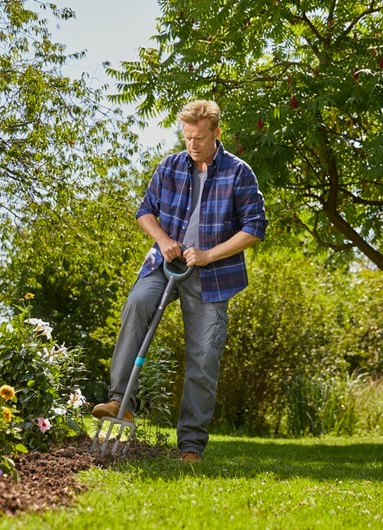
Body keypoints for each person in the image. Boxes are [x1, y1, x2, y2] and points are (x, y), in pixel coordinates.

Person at [92, 100, 268, 461]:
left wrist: (207, 254)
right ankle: (120, 401)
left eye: (200, 138)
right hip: (165, 263)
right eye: (187, 137)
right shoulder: (170, 166)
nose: (192, 145)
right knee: (138, 303)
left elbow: (254, 228)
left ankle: (190, 444)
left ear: (216, 133)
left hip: (213, 275)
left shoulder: (238, 173)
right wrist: (164, 240)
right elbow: (145, 212)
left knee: (204, 355)